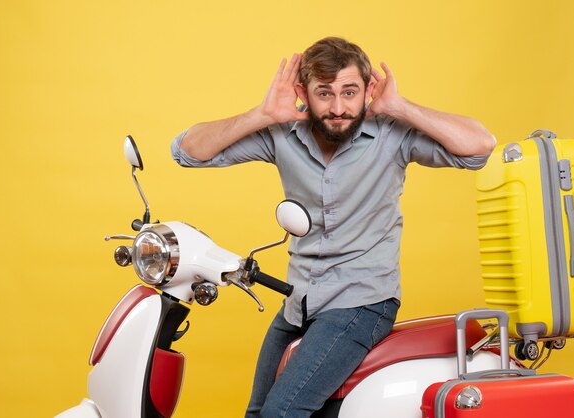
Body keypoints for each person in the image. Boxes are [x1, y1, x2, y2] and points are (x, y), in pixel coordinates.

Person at [171, 37, 495, 417]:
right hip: (299, 300)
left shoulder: (392, 134)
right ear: (302, 93)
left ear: (367, 92)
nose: (338, 107)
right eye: (324, 93)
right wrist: (262, 113)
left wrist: (400, 106)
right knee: (258, 413)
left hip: (361, 301)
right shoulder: (282, 133)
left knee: (282, 413)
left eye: (349, 92)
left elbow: (479, 148)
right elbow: (188, 153)